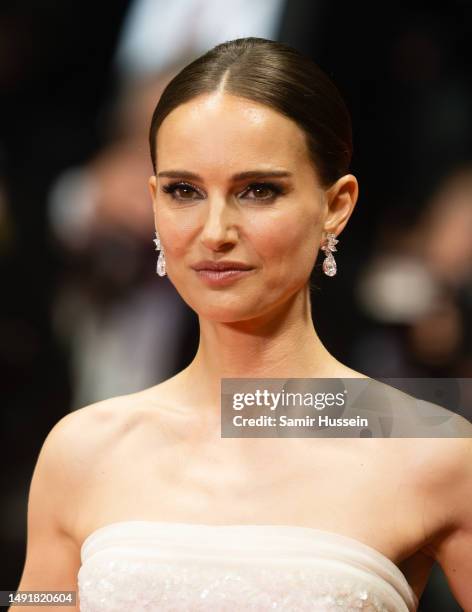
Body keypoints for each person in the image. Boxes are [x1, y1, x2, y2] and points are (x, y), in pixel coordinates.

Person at [14, 37, 472, 612]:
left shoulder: (434, 449)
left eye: (258, 190)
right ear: (154, 201)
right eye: (184, 191)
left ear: (337, 204)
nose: (215, 231)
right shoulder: (81, 450)